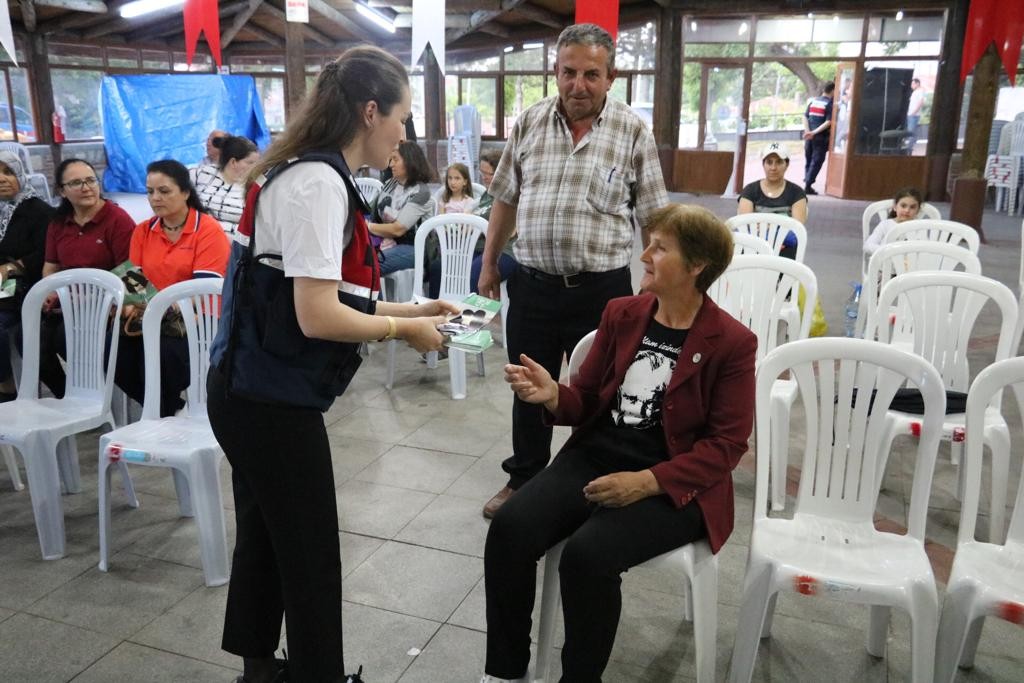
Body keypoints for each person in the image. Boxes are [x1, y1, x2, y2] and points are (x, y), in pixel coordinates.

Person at [205, 46, 457, 683]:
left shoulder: (300, 170)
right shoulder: (318, 182)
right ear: (370, 112)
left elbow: (315, 286)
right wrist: (405, 330)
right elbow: (316, 315)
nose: (405, 132)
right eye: (401, 117)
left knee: (266, 534)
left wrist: (415, 304)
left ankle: (260, 671)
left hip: (245, 387)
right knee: (310, 551)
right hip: (266, 400)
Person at [481, 204, 756, 683]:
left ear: (697, 267)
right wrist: (553, 396)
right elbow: (586, 400)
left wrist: (647, 481)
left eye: (660, 247)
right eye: (648, 242)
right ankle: (505, 672)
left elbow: (726, 447)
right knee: (509, 529)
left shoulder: (732, 342)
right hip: (598, 456)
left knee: (589, 556)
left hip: (676, 479)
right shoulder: (623, 313)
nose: (644, 253)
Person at [477, 23, 669, 518]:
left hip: (601, 292)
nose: (577, 85)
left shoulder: (632, 130)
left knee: (603, 391)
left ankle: (590, 483)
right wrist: (488, 264)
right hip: (532, 284)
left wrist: (657, 281)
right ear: (554, 71)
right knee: (527, 386)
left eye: (590, 74)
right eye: (568, 72)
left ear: (611, 77)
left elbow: (654, 216)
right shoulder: (530, 122)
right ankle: (524, 480)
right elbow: (505, 198)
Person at [114, 159, 230, 417]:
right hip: (153, 316)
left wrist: (160, 308)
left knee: (162, 355)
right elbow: (134, 280)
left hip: (199, 319)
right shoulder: (144, 230)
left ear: (186, 192)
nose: (155, 198)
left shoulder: (207, 230)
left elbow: (203, 291)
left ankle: (161, 414)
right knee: (114, 353)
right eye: (150, 191)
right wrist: (134, 305)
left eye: (164, 191)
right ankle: (170, 410)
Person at [39, 158, 135, 397]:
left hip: (105, 306)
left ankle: (93, 396)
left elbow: (131, 272)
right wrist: (50, 291)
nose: (86, 187)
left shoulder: (117, 219)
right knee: (27, 338)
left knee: (64, 337)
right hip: (67, 304)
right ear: (62, 191)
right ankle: (66, 395)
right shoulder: (58, 223)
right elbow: (51, 267)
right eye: (76, 183)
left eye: (91, 180)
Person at [427, 149, 517, 299]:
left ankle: (472, 320)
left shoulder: (511, 194)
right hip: (476, 248)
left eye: (489, 174)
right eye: (482, 173)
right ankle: (436, 313)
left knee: (476, 274)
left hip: (503, 250)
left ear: (501, 172)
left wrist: (482, 227)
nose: (484, 178)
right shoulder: (487, 194)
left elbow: (511, 231)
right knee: (438, 267)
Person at [0, 151, 53, 401]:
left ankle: (6, 386)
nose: (2, 179)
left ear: (20, 174)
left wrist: (12, 267)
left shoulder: (38, 210)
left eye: (8, 172)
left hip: (26, 284)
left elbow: (47, 254)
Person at [367, 140, 434, 275]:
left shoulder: (421, 192)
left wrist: (367, 227)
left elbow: (397, 229)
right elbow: (369, 209)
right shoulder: (391, 184)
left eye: (395, 159)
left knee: (369, 264)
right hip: (385, 240)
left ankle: (373, 297)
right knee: (355, 258)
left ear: (409, 161)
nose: (391, 164)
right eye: (391, 159)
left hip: (414, 248)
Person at [737, 142, 808, 260]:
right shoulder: (750, 190)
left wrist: (767, 228)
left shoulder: (797, 193)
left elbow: (797, 228)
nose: (773, 168)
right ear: (763, 164)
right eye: (769, 162)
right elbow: (745, 224)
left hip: (785, 248)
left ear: (787, 164)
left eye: (779, 162)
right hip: (753, 247)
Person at [191, 135, 260, 235]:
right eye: (250, 162)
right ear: (233, 162)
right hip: (198, 239)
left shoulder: (255, 189)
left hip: (234, 245)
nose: (255, 167)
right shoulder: (202, 174)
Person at [863, 186, 923, 256]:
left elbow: (925, 250)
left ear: (918, 210)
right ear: (895, 207)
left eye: (912, 207)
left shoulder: (920, 228)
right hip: (886, 264)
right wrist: (889, 252)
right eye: (903, 206)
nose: (907, 210)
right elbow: (868, 245)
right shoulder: (885, 225)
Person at [802, 81, 834, 195]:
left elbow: (805, 116)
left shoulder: (813, 101)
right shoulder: (830, 103)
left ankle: (807, 182)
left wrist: (807, 131)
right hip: (820, 137)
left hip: (809, 136)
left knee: (809, 159)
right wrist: (814, 132)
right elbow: (829, 122)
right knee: (817, 160)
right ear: (832, 91)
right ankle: (808, 184)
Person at [906, 78, 925, 143]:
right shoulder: (915, 91)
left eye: (913, 84)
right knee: (912, 131)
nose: (911, 85)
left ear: (917, 84)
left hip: (914, 115)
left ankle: (909, 147)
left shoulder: (920, 91)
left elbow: (921, 102)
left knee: (911, 132)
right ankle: (911, 146)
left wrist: (914, 112)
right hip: (911, 115)